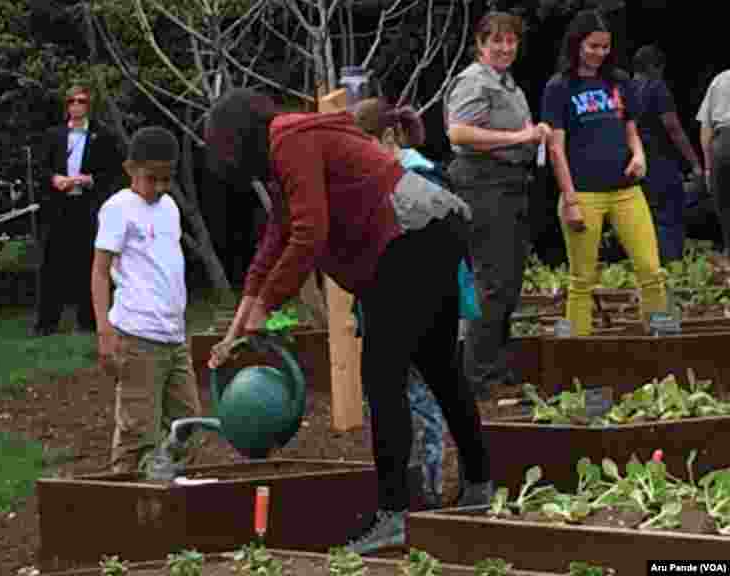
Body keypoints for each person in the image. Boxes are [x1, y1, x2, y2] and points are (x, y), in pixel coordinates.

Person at [204, 88, 492, 553]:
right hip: (432, 227)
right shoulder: (290, 143)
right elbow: (276, 236)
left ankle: (395, 513)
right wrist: (240, 322)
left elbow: (309, 232)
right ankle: (479, 486)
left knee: (383, 375)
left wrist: (267, 305)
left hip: (409, 234)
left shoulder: (287, 140)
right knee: (438, 366)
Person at [443, 11, 549, 400]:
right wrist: (518, 136)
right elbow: (458, 132)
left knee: (509, 282)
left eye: (511, 41)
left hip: (510, 184)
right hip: (483, 183)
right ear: (480, 44)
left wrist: (532, 137)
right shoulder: (474, 81)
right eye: (497, 41)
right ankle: (476, 376)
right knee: (493, 281)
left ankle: (494, 366)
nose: (505, 48)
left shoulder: (506, 83)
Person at [541, 9, 665, 337]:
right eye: (592, 46)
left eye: (605, 47)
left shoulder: (620, 81)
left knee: (652, 270)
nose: (599, 53)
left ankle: (662, 338)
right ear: (577, 44)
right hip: (583, 192)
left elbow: (631, 129)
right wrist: (569, 200)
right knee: (581, 279)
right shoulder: (559, 87)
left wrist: (639, 155)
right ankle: (575, 348)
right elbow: (555, 148)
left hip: (626, 189)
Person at [92, 126, 202, 474]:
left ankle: (172, 499)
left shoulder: (169, 207)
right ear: (130, 169)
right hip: (137, 337)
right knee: (137, 433)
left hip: (174, 337)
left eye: (167, 179)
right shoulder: (118, 209)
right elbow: (99, 272)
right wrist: (105, 333)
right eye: (151, 178)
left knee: (187, 428)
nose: (159, 187)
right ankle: (121, 506)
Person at [353, 98, 447, 509]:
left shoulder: (421, 178)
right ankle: (396, 492)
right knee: (387, 401)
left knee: (421, 402)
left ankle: (427, 491)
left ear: (388, 138)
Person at [32, 84, 124, 337]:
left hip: (87, 206)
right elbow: (41, 169)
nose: (76, 106)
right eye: (72, 101)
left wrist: (90, 180)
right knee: (52, 264)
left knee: (90, 263)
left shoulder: (102, 136)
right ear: (67, 106)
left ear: (88, 106)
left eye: (81, 101)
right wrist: (54, 180)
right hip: (58, 207)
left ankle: (88, 321)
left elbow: (113, 173)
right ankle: (46, 324)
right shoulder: (54, 135)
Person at [631, 45, 703, 263]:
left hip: (633, 164)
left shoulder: (623, 89)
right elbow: (672, 127)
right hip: (659, 162)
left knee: (642, 219)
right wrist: (695, 163)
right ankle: (671, 269)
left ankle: (647, 268)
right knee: (669, 218)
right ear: (655, 67)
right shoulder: (655, 87)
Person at [697, 68, 730, 262]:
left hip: (722, 145)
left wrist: (708, 168)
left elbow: (706, 128)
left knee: (725, 206)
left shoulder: (720, 79)